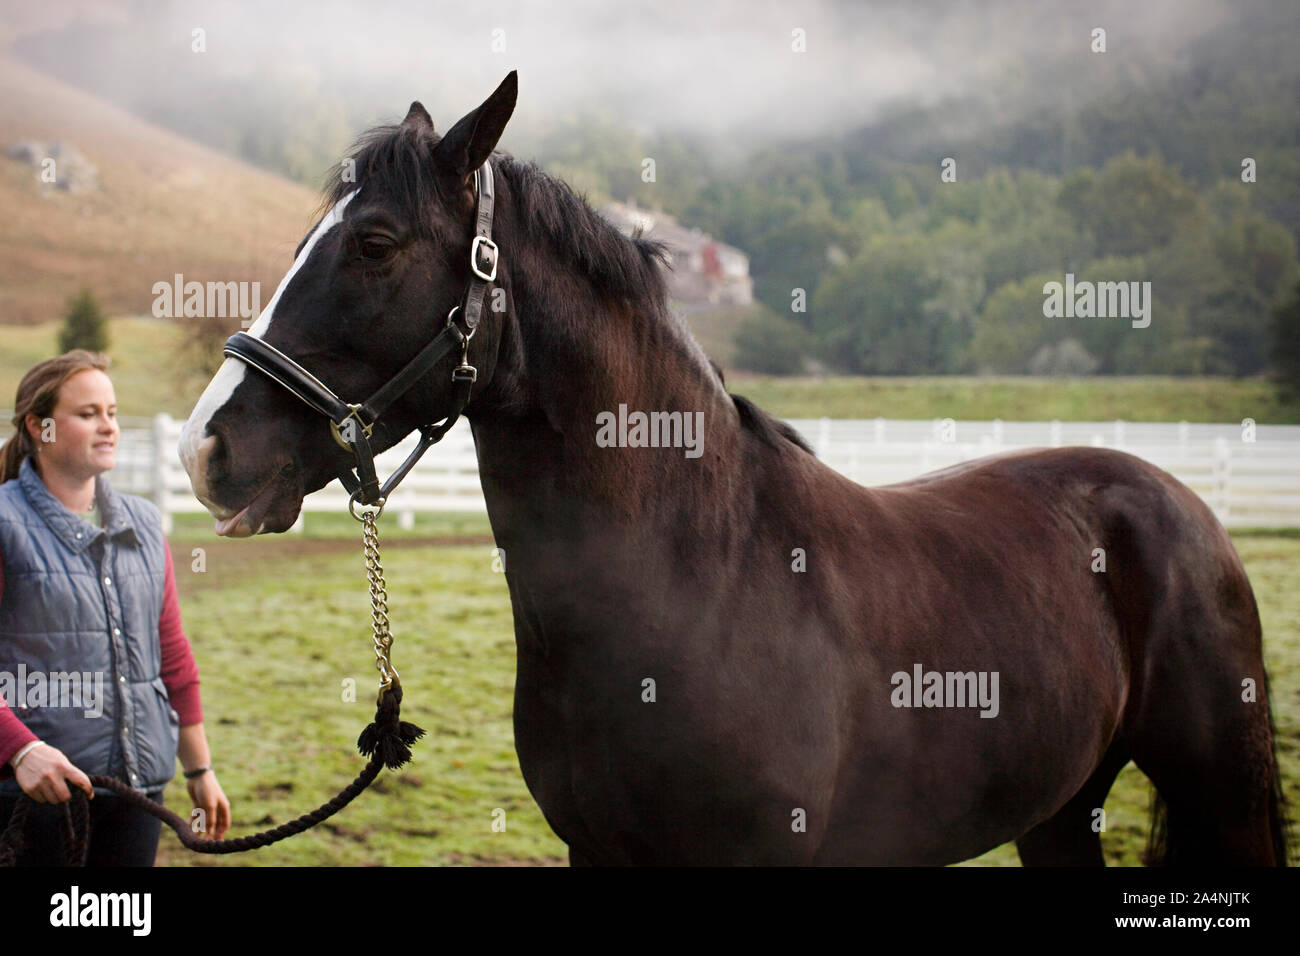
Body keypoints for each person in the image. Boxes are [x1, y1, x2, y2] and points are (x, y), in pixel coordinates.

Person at [0, 350, 230, 865]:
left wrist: (199, 769)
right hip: (31, 795)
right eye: (87, 414)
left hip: (136, 795)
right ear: (41, 428)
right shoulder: (4, 524)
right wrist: (20, 749)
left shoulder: (144, 524)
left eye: (113, 412)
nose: (108, 427)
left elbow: (171, 655)